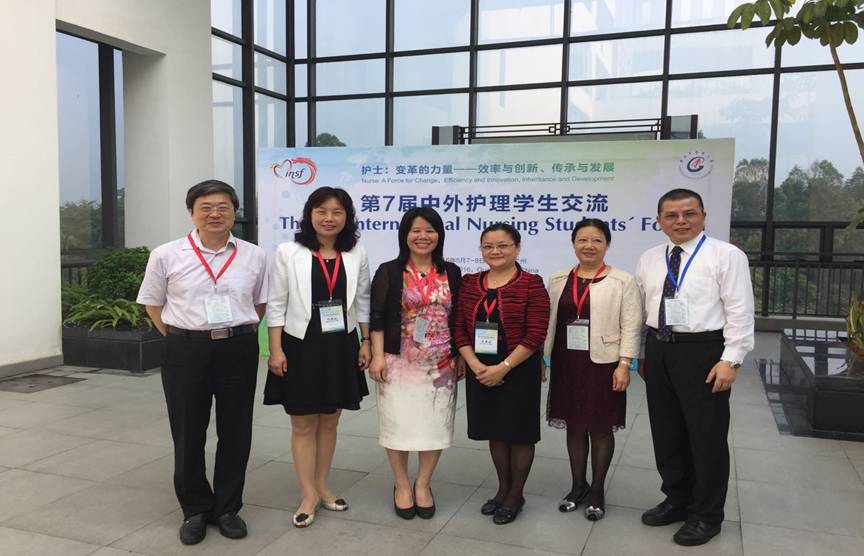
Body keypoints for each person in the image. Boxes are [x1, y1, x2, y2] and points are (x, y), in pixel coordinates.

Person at [137, 180, 267, 545]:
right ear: (191, 212)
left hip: (237, 347)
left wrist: (233, 330)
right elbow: (153, 304)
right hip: (185, 349)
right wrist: (182, 337)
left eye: (223, 207)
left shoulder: (254, 255)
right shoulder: (166, 254)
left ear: (234, 212)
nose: (215, 214)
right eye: (206, 207)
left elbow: (259, 303)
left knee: (236, 429)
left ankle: (227, 508)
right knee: (187, 430)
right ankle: (194, 509)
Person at [635, 188, 754, 546]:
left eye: (689, 213)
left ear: (703, 216)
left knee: (706, 437)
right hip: (659, 348)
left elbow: (740, 310)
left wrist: (731, 359)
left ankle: (707, 514)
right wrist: (642, 352)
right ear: (659, 221)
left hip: (703, 352)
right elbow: (643, 309)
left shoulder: (726, 255)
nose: (681, 221)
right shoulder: (649, 258)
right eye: (671, 215)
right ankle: (678, 499)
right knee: (667, 432)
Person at [264, 186, 371, 529]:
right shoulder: (289, 252)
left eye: (337, 212)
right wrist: (276, 349)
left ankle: (323, 485)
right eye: (322, 211)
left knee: (330, 420)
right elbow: (276, 304)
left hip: (341, 343)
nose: (329, 218)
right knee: (303, 423)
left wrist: (367, 341)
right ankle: (307, 494)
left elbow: (364, 301)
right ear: (309, 214)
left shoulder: (355, 252)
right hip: (300, 343)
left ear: (347, 217)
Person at [368, 207, 464, 520]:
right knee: (397, 424)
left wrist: (460, 356)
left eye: (430, 230)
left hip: (441, 366)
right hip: (398, 364)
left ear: (439, 235)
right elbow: (377, 317)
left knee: (434, 426)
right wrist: (377, 356)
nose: (423, 237)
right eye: (416, 230)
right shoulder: (390, 271)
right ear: (405, 235)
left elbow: (459, 319)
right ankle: (401, 484)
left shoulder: (451, 272)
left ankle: (423, 484)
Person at [544, 219, 642, 521]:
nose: (589, 246)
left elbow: (632, 325)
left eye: (597, 240)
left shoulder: (622, 280)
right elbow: (548, 322)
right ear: (573, 243)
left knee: (600, 427)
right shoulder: (558, 278)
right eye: (582, 240)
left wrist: (625, 364)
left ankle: (597, 490)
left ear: (607, 244)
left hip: (603, 364)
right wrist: (541, 359)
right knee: (574, 426)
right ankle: (578, 486)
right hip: (566, 363)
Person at [454, 223, 550, 525]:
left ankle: (515, 495)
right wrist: (474, 365)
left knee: (518, 433)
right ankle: (503, 489)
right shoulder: (470, 283)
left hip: (518, 368)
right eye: (488, 246)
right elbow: (459, 328)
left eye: (503, 245)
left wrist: (503, 367)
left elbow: (536, 333)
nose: (495, 251)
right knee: (495, 430)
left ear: (517, 248)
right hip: (480, 368)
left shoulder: (532, 284)